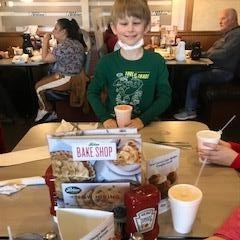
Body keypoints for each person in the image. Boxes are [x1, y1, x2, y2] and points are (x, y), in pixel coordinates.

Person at [87, 0, 171, 130]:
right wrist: (105, 117)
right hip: (115, 126)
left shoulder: (157, 61)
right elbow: (92, 92)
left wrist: (142, 119)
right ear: (114, 28)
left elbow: (165, 97)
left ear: (147, 26)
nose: (130, 29)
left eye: (136, 23)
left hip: (147, 125)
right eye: (124, 23)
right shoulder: (106, 62)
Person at [174, 8, 240, 120]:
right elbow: (214, 53)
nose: (220, 22)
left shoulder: (237, 34)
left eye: (223, 18)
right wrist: (200, 54)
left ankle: (190, 111)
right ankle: (189, 105)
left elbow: (224, 53)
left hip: (225, 72)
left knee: (195, 78)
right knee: (187, 73)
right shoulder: (228, 34)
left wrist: (202, 54)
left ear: (233, 19)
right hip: (215, 67)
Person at [34, 18, 87, 122]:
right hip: (70, 75)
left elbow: (45, 58)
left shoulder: (65, 46)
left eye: (55, 28)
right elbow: (52, 56)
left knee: (38, 88)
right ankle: (47, 110)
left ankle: (47, 111)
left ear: (63, 31)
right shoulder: (73, 42)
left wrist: (45, 40)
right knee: (42, 81)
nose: (53, 31)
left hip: (69, 78)